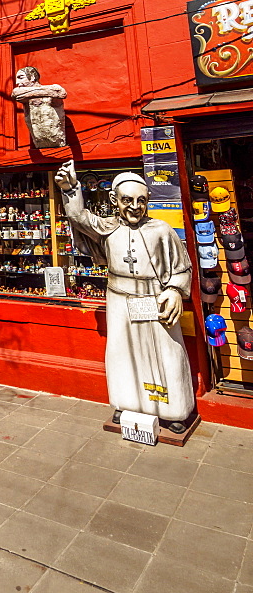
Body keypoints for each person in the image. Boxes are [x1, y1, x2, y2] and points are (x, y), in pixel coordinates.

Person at [55, 161, 194, 432]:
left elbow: (181, 267)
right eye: (127, 200)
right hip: (118, 299)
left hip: (154, 298)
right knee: (122, 353)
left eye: (141, 200)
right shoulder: (107, 227)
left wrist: (176, 291)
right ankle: (126, 403)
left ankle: (173, 409)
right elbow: (79, 218)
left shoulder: (162, 230)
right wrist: (71, 188)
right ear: (114, 200)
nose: (134, 206)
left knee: (165, 352)